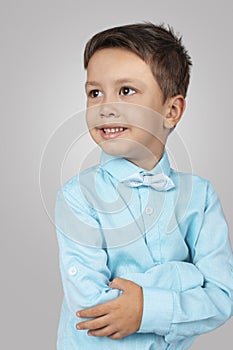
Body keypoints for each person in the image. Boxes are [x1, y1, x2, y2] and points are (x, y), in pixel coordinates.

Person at [55, 23, 233, 349]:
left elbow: (222, 297)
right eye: (95, 93)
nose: (105, 107)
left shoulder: (200, 198)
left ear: (171, 111)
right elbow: (92, 306)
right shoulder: (78, 196)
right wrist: (187, 280)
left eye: (126, 91)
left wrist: (143, 306)